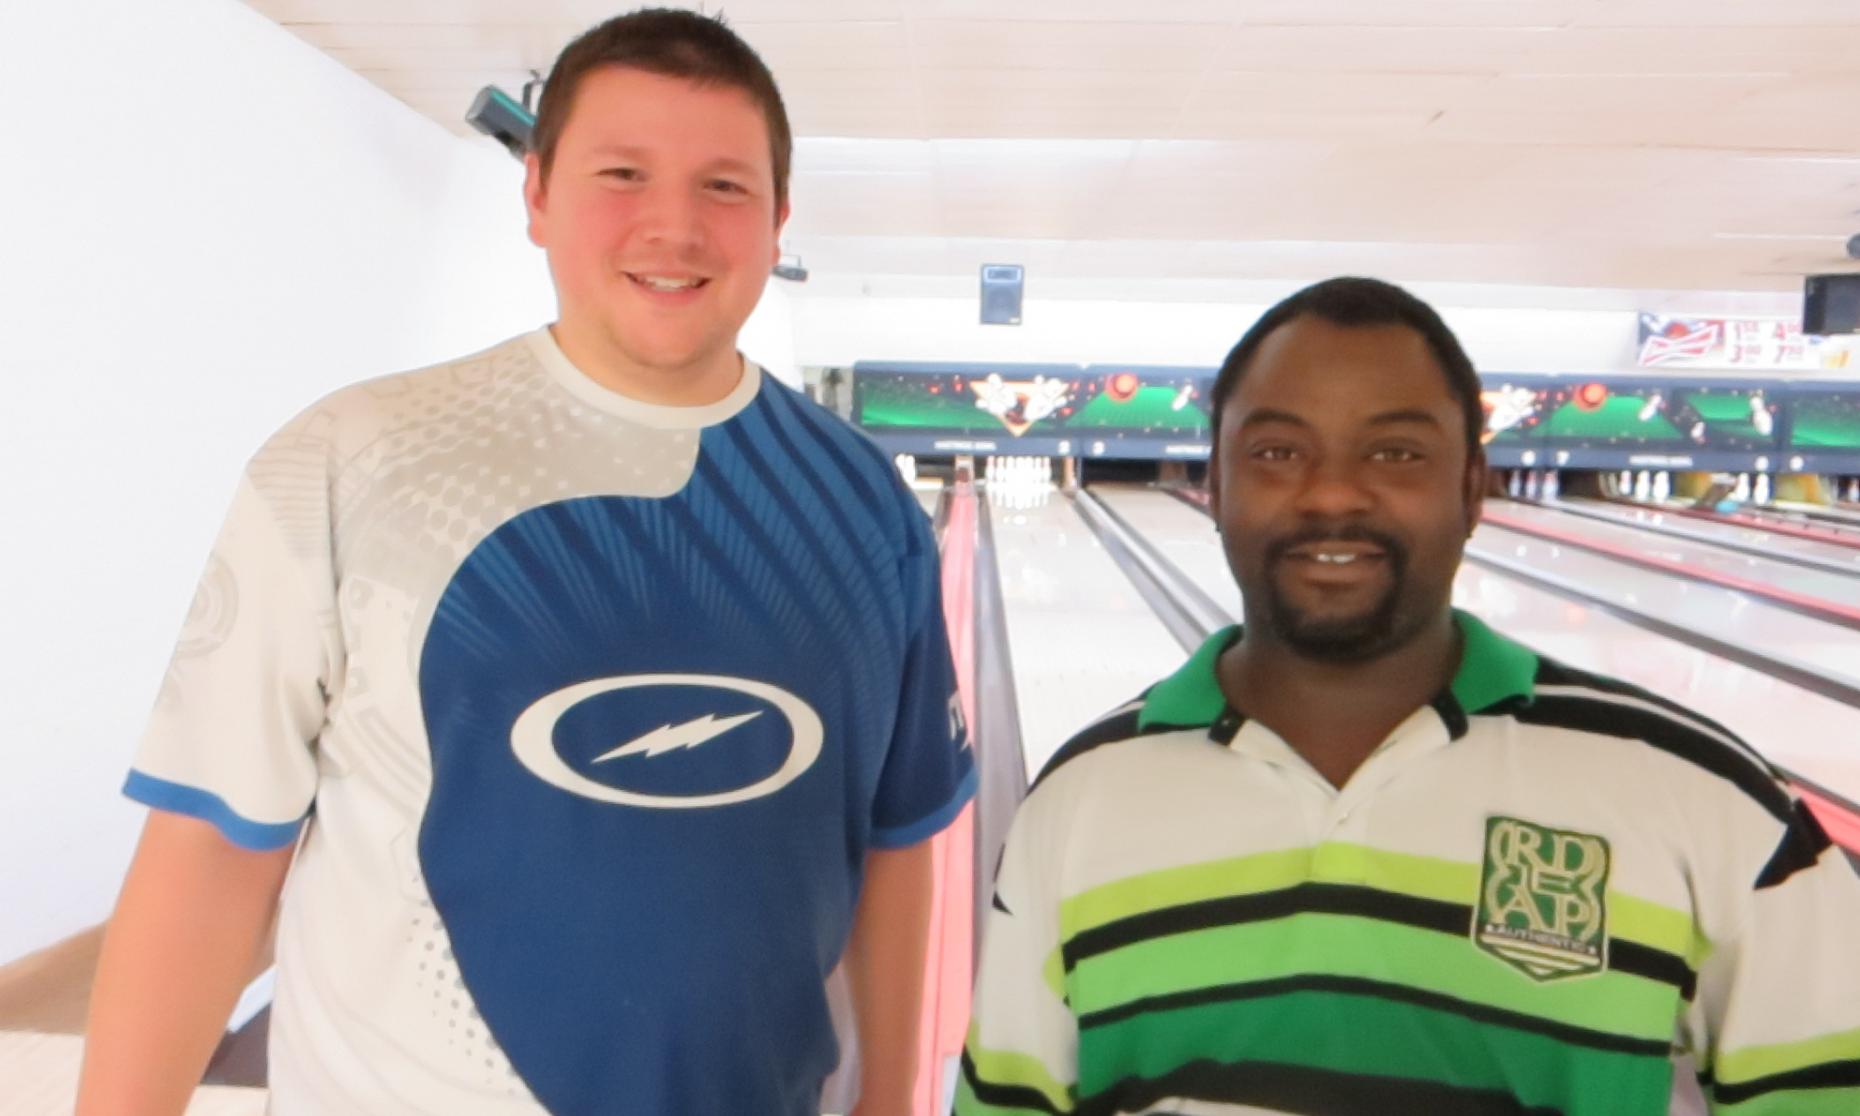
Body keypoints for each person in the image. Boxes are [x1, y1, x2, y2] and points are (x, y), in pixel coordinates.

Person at [78, 9, 975, 1115]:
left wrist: (896, 1100)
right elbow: (213, 850)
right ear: (538, 195)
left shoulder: (860, 504)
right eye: (623, 173)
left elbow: (896, 840)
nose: (674, 227)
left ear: (779, 217)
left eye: (725, 188)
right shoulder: (351, 461)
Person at [955, 277, 1860, 1115]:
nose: (1333, 492)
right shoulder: (1079, 802)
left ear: (1472, 485)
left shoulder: (1704, 798)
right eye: (1277, 451)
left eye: (1395, 451)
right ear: (1216, 483)